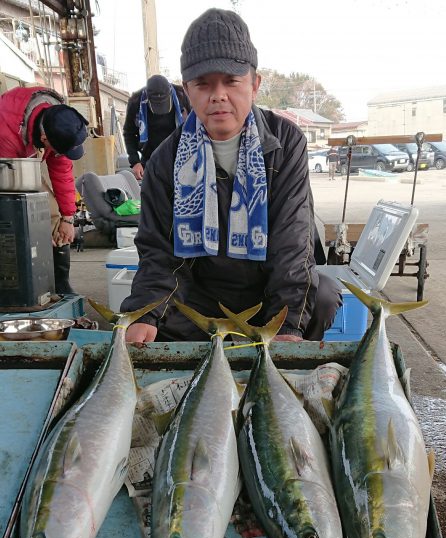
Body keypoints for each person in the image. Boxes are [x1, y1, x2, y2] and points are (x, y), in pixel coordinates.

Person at [121, 8, 342, 343]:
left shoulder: (286, 143)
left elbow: (292, 244)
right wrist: (145, 313)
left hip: (265, 291)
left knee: (323, 296)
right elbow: (158, 252)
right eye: (203, 84)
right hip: (200, 296)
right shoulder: (165, 159)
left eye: (231, 81)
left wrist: (287, 324)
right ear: (187, 90)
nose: (218, 95)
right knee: (151, 322)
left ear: (254, 85)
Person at [0, 86, 88, 294]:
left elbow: (62, 172)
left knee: (51, 213)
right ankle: (14, 286)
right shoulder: (7, 129)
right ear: (45, 140)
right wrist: (33, 229)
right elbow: (13, 192)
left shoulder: (60, 122)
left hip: (22, 162)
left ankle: (61, 284)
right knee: (13, 225)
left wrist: (68, 218)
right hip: (5, 164)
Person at [123, 74, 191, 180]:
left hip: (180, 155)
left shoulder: (182, 95)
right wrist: (135, 162)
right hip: (150, 158)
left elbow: (196, 125)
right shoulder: (136, 101)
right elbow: (129, 133)